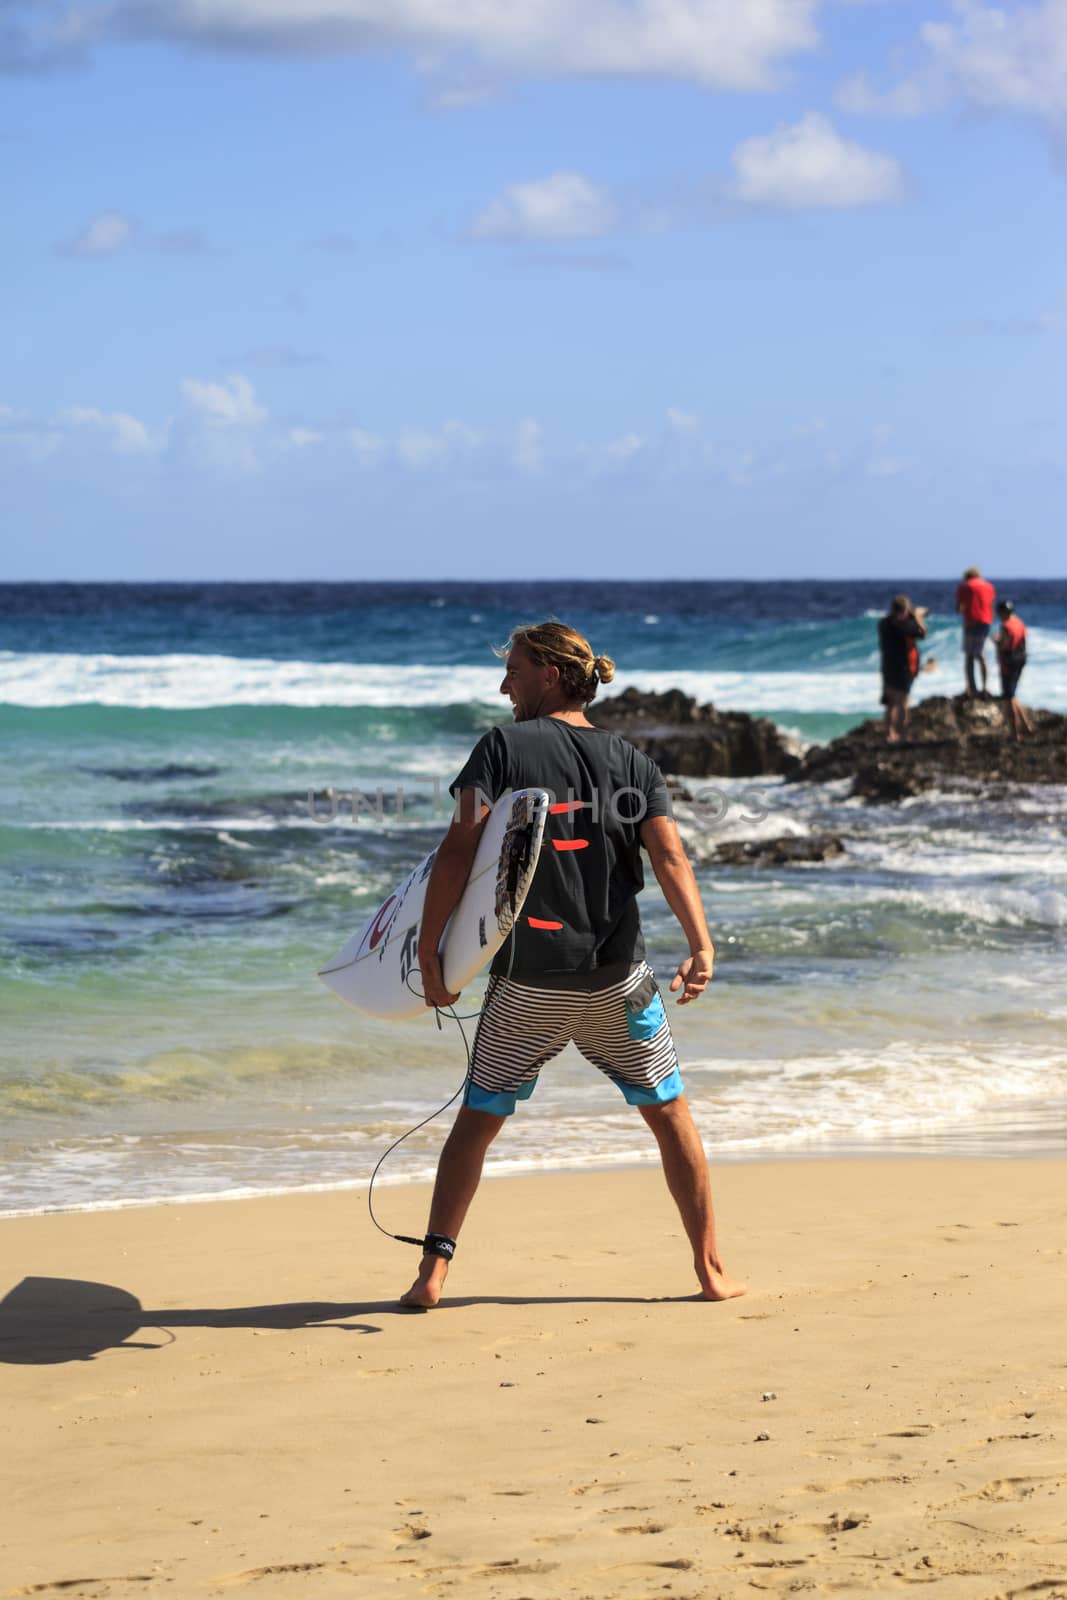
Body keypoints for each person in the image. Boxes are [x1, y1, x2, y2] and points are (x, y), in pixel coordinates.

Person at [403, 621, 745, 1310]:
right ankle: (710, 1273)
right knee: (669, 1114)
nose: (504, 685)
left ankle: (432, 1275)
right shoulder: (632, 761)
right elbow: (670, 857)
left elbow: (457, 850)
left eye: (514, 671)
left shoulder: (502, 747)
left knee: (477, 1119)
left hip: (527, 985)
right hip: (617, 980)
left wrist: (429, 949)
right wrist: (701, 944)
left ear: (551, 675)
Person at [878, 595, 927, 743]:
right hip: (904, 667)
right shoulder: (904, 626)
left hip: (887, 666)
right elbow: (922, 633)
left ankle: (889, 734)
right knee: (903, 702)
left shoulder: (884, 623)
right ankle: (903, 734)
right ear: (905, 610)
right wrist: (918, 617)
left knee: (890, 702)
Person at [993, 600, 1034, 740]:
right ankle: (1027, 726)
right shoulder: (1019, 622)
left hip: (1009, 661)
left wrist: (996, 641)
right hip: (1021, 658)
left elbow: (1004, 646)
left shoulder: (1006, 626)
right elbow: (1023, 637)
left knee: (1008, 698)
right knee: (1012, 695)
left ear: (1002, 613)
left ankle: (1015, 733)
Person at [955, 566, 996, 698]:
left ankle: (971, 688)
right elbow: (991, 605)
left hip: (971, 622)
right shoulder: (989, 586)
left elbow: (959, 607)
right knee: (981, 655)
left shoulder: (965, 586)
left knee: (969, 656)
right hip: (985, 622)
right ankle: (984, 688)